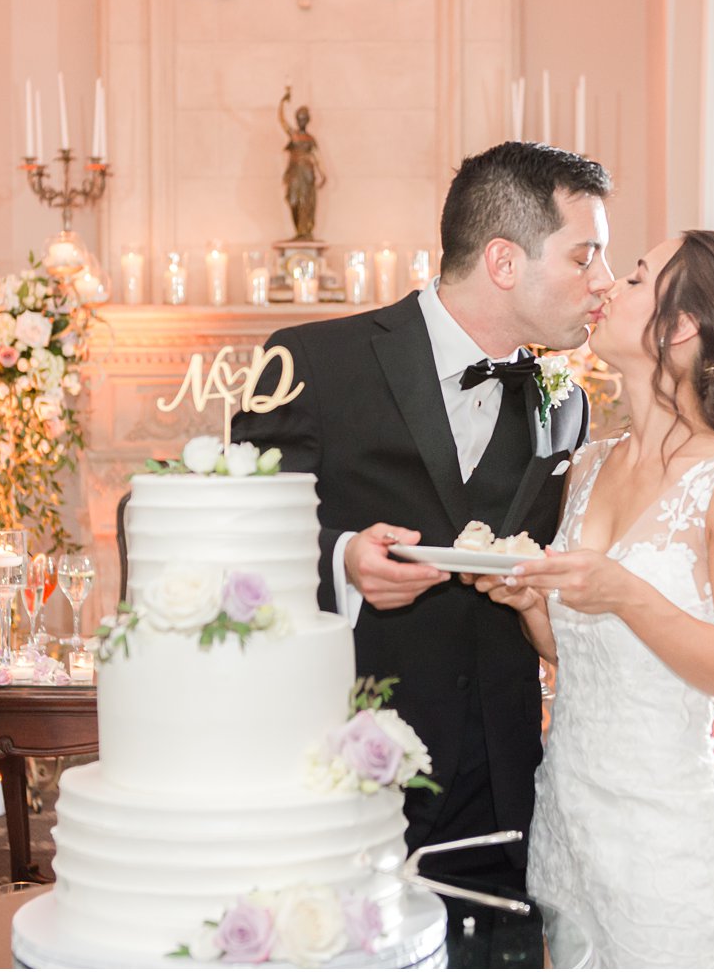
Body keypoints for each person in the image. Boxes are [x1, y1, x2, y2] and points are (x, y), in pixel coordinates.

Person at [233, 141, 613, 889]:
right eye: (584, 257)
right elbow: (241, 531)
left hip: (502, 785)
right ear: (505, 263)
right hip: (342, 759)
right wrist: (343, 558)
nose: (603, 283)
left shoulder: (565, 404)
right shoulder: (312, 362)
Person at [470, 230, 714, 966]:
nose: (605, 287)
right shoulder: (588, 465)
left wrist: (627, 595)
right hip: (569, 819)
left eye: (636, 278)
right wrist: (529, 603)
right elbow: (582, 655)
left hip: (671, 840)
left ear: (680, 327)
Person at [278, 86, 327, 240]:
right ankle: (298, 231)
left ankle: (305, 232)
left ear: (307, 120)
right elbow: (281, 120)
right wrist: (282, 101)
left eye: (304, 118)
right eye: (300, 117)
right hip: (294, 174)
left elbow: (317, 157)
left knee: (306, 202)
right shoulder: (293, 135)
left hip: (307, 174)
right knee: (293, 201)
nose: (302, 120)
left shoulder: (310, 139)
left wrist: (322, 174)